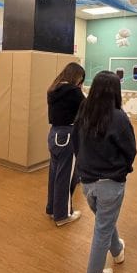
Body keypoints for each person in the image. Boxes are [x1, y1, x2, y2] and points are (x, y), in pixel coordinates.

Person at [73, 71, 136, 273]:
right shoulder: (119, 117)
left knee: (104, 221)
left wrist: (83, 166)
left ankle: (117, 251)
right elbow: (130, 150)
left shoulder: (83, 112)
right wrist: (122, 169)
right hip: (110, 183)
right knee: (102, 228)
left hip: (87, 182)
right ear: (115, 91)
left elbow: (76, 144)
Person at [46, 62, 85, 226]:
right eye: (80, 79)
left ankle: (52, 209)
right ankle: (63, 215)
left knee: (55, 175)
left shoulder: (53, 89)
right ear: (76, 76)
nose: (80, 82)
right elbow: (87, 109)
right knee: (66, 178)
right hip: (67, 136)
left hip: (54, 134)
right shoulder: (73, 91)